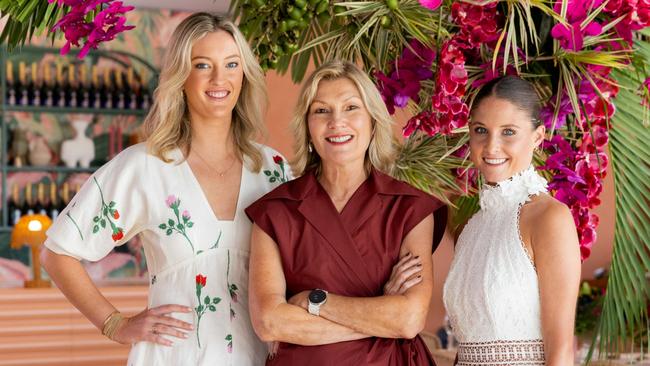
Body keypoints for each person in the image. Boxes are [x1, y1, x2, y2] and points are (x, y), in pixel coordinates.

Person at [41, 13, 291, 365]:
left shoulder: (273, 170)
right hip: (174, 356)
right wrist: (115, 323)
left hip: (257, 355)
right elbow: (57, 253)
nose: (220, 78)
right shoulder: (145, 166)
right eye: (203, 65)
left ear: (244, 74)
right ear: (181, 76)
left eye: (232, 64)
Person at [245, 60, 444, 365]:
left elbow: (408, 319)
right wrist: (381, 314)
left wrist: (313, 302)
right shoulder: (275, 212)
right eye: (321, 110)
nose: (337, 122)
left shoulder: (410, 208)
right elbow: (270, 323)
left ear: (373, 121)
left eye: (351, 108)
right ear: (308, 127)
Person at [443, 76, 581, 365]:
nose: (491, 147)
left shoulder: (549, 218)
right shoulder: (470, 226)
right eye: (481, 130)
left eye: (508, 132)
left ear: (537, 137)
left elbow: (561, 351)